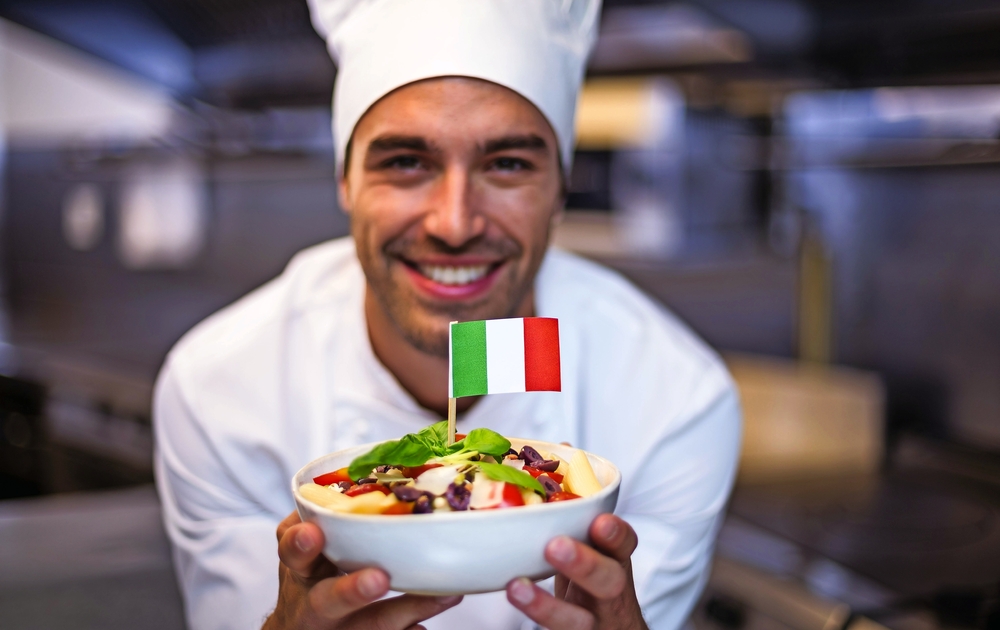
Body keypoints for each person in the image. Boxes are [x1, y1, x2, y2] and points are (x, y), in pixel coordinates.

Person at [153, 1, 742, 629]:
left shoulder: (673, 400)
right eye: (406, 162)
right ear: (345, 181)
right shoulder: (218, 391)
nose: (455, 224)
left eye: (508, 164)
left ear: (560, 189)